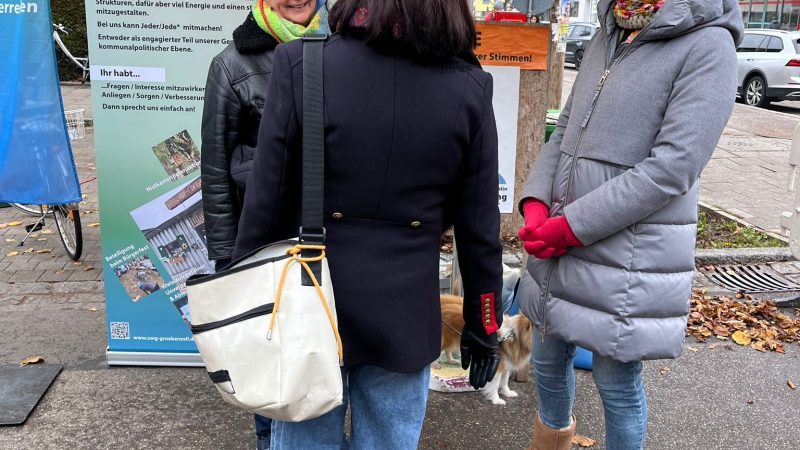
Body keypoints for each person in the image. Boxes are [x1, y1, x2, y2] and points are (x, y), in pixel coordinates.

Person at [231, 0, 503, 447]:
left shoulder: (302, 64)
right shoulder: (469, 86)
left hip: (310, 307)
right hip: (404, 316)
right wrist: (485, 323)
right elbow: (479, 229)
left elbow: (266, 204)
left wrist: (247, 304)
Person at [516, 1, 742, 449]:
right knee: (546, 357)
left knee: (615, 381)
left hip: (630, 248)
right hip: (563, 235)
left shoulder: (709, 43)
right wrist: (537, 200)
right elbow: (565, 130)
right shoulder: (611, 29)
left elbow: (674, 167)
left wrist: (571, 226)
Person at [199, 1, 328, 448]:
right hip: (265, 240)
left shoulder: (344, 46)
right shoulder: (232, 64)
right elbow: (216, 168)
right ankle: (269, 440)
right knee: (272, 362)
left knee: (324, 358)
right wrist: (226, 257)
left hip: (333, 236)